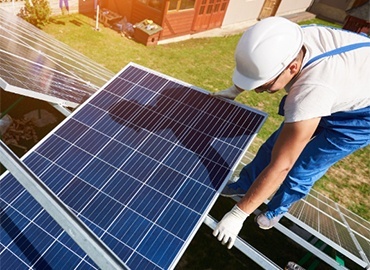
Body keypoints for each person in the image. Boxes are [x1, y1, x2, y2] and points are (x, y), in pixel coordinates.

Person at [212, 16, 370, 249]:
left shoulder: (312, 90)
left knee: (301, 167)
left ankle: (276, 209)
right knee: (270, 148)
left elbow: (282, 165)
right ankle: (244, 184)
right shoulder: (286, 38)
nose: (258, 90)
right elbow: (257, 65)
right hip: (342, 85)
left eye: (263, 84)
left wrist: (238, 214)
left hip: (358, 119)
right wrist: (235, 89)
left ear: (293, 68)